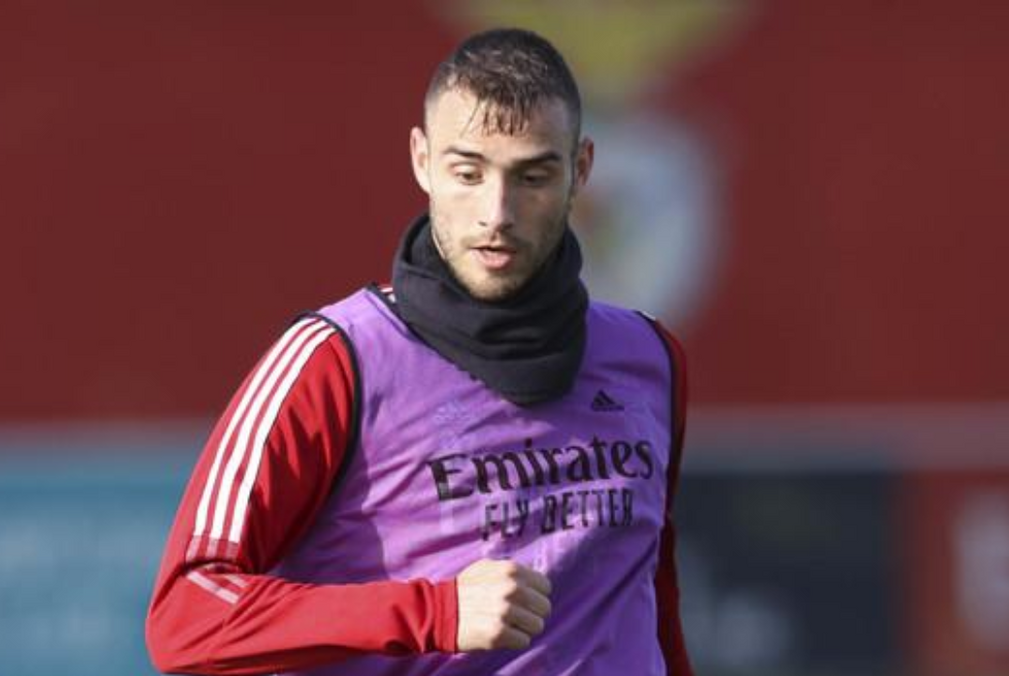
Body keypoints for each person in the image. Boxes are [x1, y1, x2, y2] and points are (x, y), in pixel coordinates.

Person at [145, 27, 693, 676]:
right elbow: (186, 616)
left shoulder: (649, 357)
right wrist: (433, 612)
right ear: (422, 161)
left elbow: (651, 604)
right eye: (468, 173)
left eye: (533, 176)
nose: (497, 212)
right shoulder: (334, 360)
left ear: (582, 170)